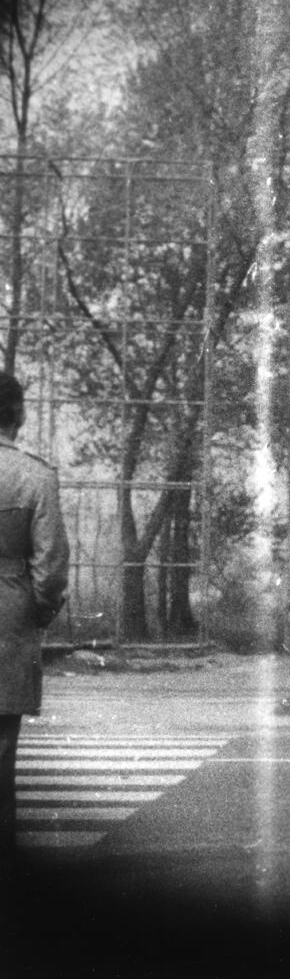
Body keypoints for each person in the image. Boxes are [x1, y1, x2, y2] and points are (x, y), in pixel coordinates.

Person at [0, 372, 70, 879]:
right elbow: (50, 568)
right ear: (18, 415)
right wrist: (36, 614)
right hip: (8, 618)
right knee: (2, 747)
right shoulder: (35, 476)